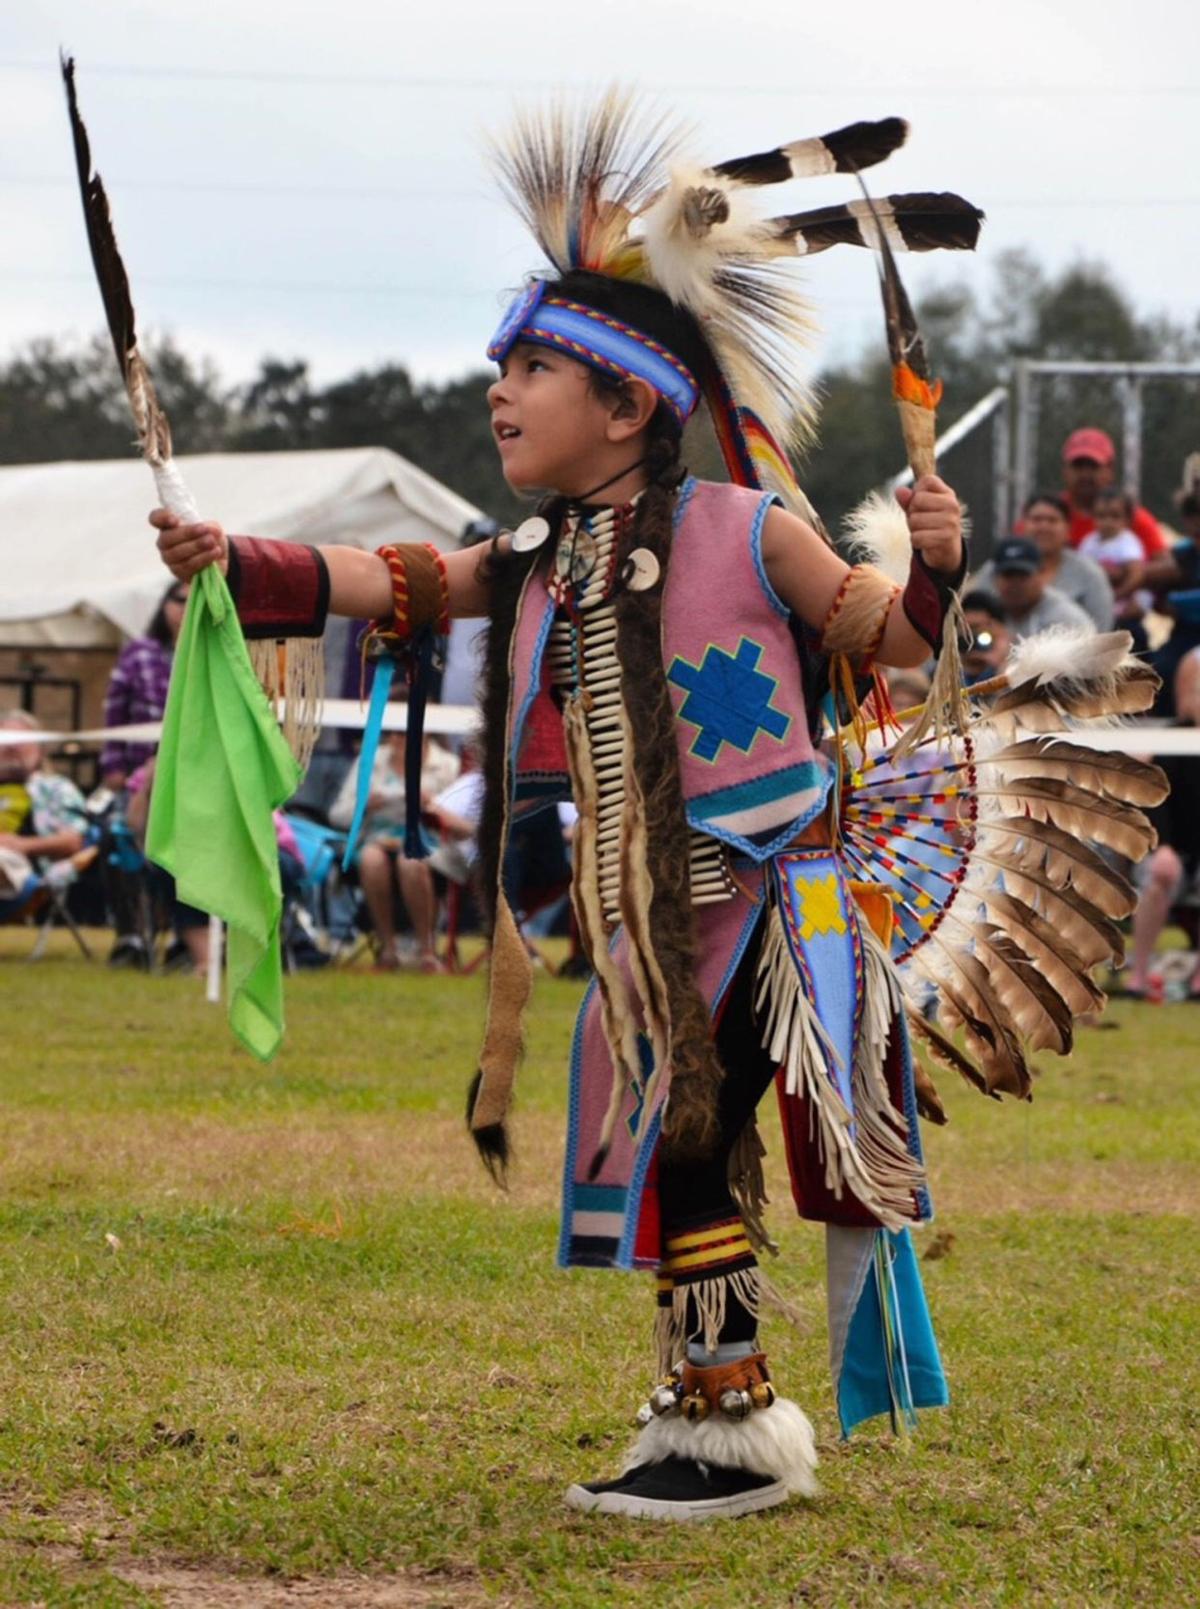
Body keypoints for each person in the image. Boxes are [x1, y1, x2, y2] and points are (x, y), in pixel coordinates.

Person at [149, 97, 1155, 1522]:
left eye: (536, 368)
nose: (502, 393)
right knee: (671, 1142)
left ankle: (727, 1425)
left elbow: (894, 644)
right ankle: (709, 1406)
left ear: (627, 406)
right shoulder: (540, 556)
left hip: (779, 899)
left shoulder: (748, 530)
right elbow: (396, 583)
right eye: (502, 367)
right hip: (647, 914)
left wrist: (938, 567)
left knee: (688, 1127)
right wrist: (234, 556)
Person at [329, 729, 459, 971]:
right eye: (392, 733)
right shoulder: (370, 761)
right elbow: (338, 814)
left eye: (405, 733)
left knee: (410, 861)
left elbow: (463, 822)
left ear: (425, 733)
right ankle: (388, 949)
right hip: (378, 840)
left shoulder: (448, 765)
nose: (397, 739)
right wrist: (364, 807)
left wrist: (432, 806)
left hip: (432, 845)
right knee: (370, 860)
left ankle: (426, 950)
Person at [99, 579, 188, 790]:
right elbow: (115, 712)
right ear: (165, 604)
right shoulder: (139, 653)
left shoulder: (212, 655)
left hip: (193, 769)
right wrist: (114, 767)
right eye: (180, 600)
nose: (186, 608)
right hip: (139, 770)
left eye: (194, 602)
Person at [976, 494, 1112, 629]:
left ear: (1068, 529)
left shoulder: (1089, 573)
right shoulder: (992, 569)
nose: (1043, 527)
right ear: (1022, 525)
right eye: (1036, 519)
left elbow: (1101, 628)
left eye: (1052, 520)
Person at [0, 710, 90, 882]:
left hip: (30, 882)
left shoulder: (56, 788)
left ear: (40, 751)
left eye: (20, 741)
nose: (11, 747)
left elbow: (74, 841)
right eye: (5, 739)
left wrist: (20, 845)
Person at [1058, 427, 1166, 559]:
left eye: (1093, 467)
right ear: (1064, 471)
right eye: (1078, 466)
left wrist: (1123, 573)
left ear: (1110, 471)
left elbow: (1166, 563)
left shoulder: (1131, 516)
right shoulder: (1048, 515)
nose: (1085, 474)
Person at [1078, 488, 1151, 640]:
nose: (1107, 522)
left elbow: (1136, 576)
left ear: (1128, 519)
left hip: (1125, 604)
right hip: (1097, 605)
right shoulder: (1089, 542)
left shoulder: (1127, 542)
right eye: (1101, 516)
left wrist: (1115, 595)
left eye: (1115, 516)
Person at [989, 537, 1094, 638]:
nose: (1016, 583)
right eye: (1009, 575)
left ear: (1041, 574)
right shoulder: (986, 611)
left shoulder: (1067, 619)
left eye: (1023, 576)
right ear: (995, 578)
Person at [959, 588, 1012, 684]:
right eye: (967, 630)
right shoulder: (940, 674)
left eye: (977, 628)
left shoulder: (1016, 674)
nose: (972, 640)